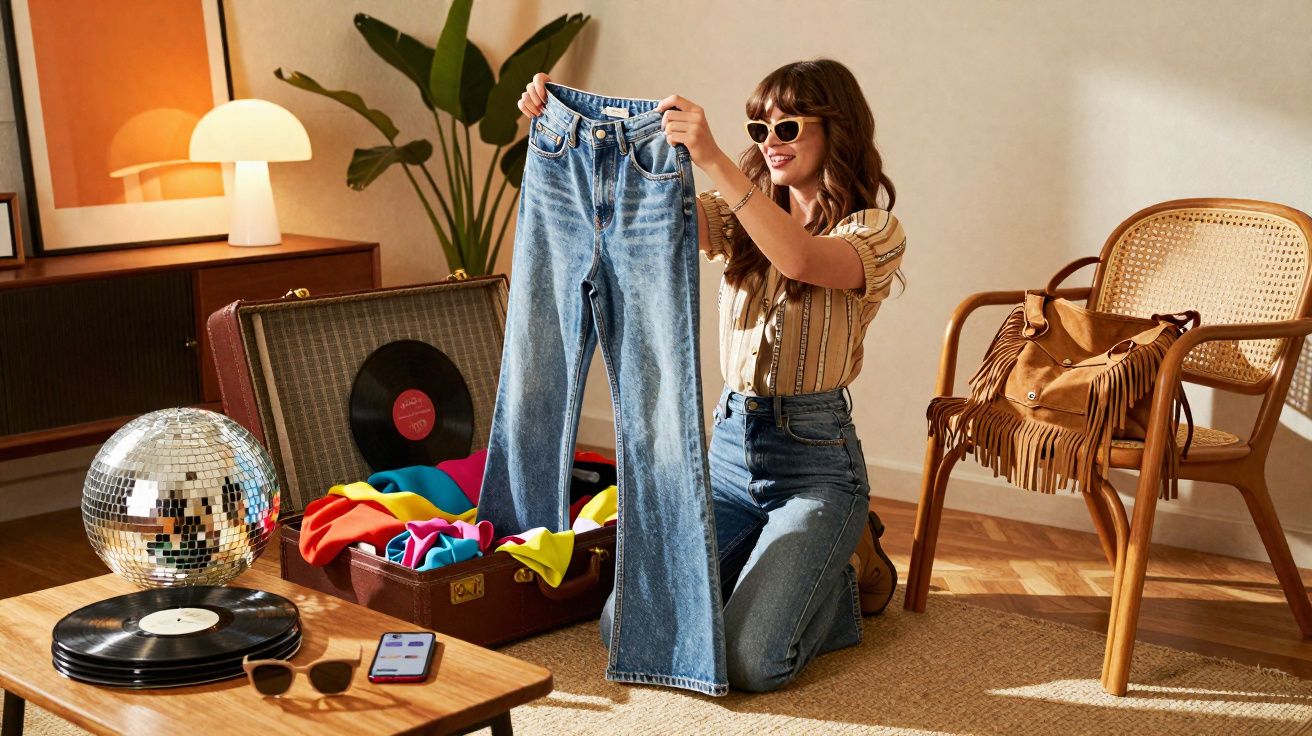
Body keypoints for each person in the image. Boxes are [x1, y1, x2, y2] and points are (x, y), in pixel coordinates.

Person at [517, 58, 905, 693]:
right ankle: (790, 561)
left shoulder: (874, 231)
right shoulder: (737, 215)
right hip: (725, 454)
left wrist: (715, 155)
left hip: (816, 465)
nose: (770, 144)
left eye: (787, 128)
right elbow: (630, 213)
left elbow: (801, 257)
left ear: (838, 130)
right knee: (626, 627)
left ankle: (844, 566)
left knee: (753, 661)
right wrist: (560, 134)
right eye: (759, 129)